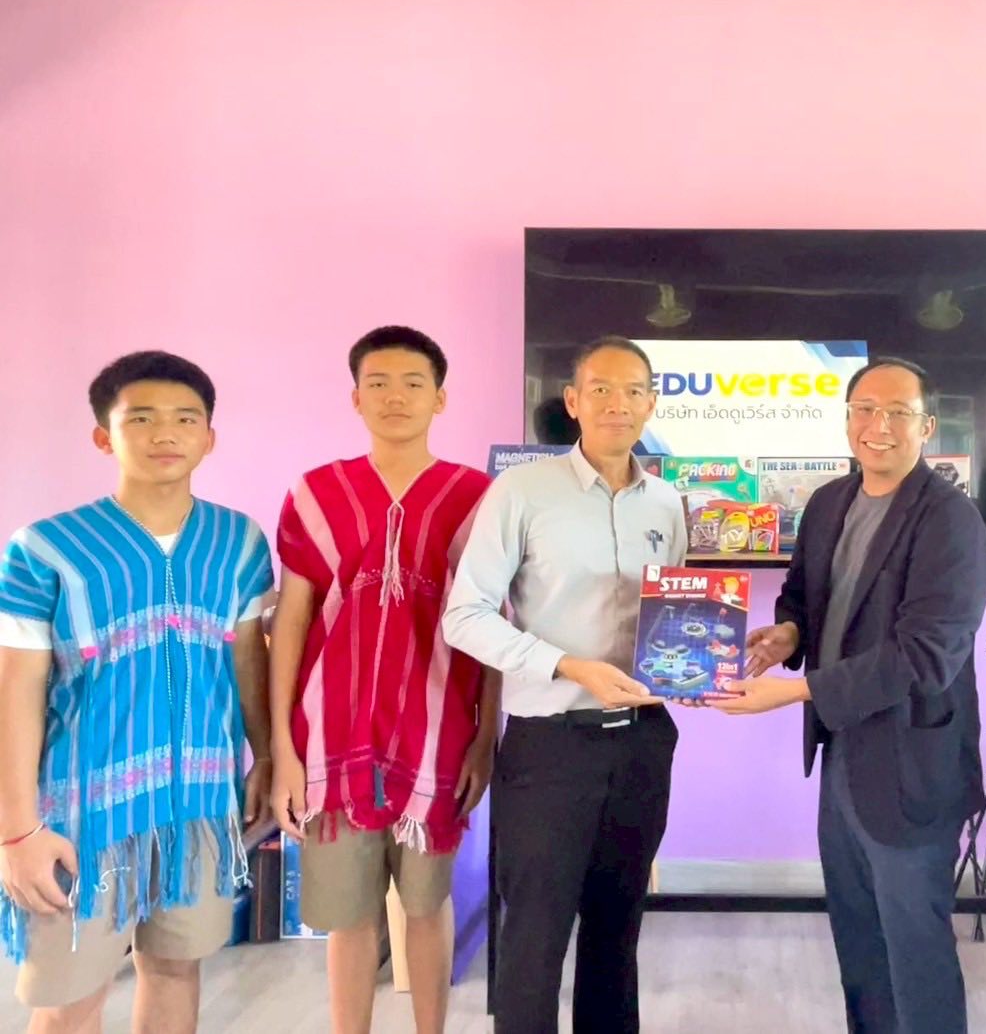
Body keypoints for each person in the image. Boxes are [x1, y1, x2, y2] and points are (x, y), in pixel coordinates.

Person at [0, 351, 274, 1033]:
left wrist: (267, 758)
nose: (165, 434)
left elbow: (249, 661)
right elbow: (16, 688)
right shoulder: (46, 549)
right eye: (142, 419)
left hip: (199, 808)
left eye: (185, 418)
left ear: (209, 437)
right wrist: (17, 830)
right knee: (69, 999)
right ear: (104, 436)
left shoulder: (238, 542)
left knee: (176, 971)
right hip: (80, 815)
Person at [718, 356, 986, 1034]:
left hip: (911, 763)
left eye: (898, 412)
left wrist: (795, 692)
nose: (878, 425)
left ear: (926, 426)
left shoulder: (950, 519)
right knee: (860, 946)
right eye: (865, 409)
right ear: (847, 419)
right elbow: (803, 596)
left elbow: (925, 655)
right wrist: (787, 634)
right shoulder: (828, 502)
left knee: (916, 953)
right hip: (841, 753)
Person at [442, 335, 688, 1034]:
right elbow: (464, 616)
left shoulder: (666, 503)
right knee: (534, 936)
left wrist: (708, 662)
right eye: (600, 389)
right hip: (551, 746)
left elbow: (673, 616)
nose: (617, 404)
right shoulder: (521, 492)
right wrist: (567, 665)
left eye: (633, 391)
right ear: (574, 402)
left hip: (642, 744)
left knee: (617, 930)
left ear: (650, 405)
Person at [269, 326, 495, 1034]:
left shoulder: (477, 497)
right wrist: (282, 749)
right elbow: (292, 621)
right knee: (349, 919)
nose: (395, 397)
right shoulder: (315, 493)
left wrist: (485, 736)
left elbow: (495, 623)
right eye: (378, 383)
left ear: (440, 398)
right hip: (330, 740)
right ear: (355, 398)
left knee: (427, 907)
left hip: (438, 735)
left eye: (413, 383)